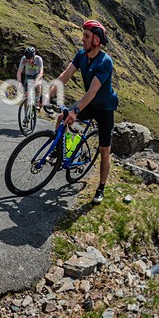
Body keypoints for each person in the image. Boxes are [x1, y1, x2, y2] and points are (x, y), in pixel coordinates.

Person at [46, 20, 118, 204]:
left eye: (86, 36)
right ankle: (58, 150)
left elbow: (92, 91)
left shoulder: (105, 62)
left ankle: (101, 187)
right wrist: (47, 95)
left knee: (104, 150)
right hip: (89, 104)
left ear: (96, 40)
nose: (82, 39)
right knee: (62, 117)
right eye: (83, 35)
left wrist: (76, 110)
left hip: (105, 109)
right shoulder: (81, 55)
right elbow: (64, 76)